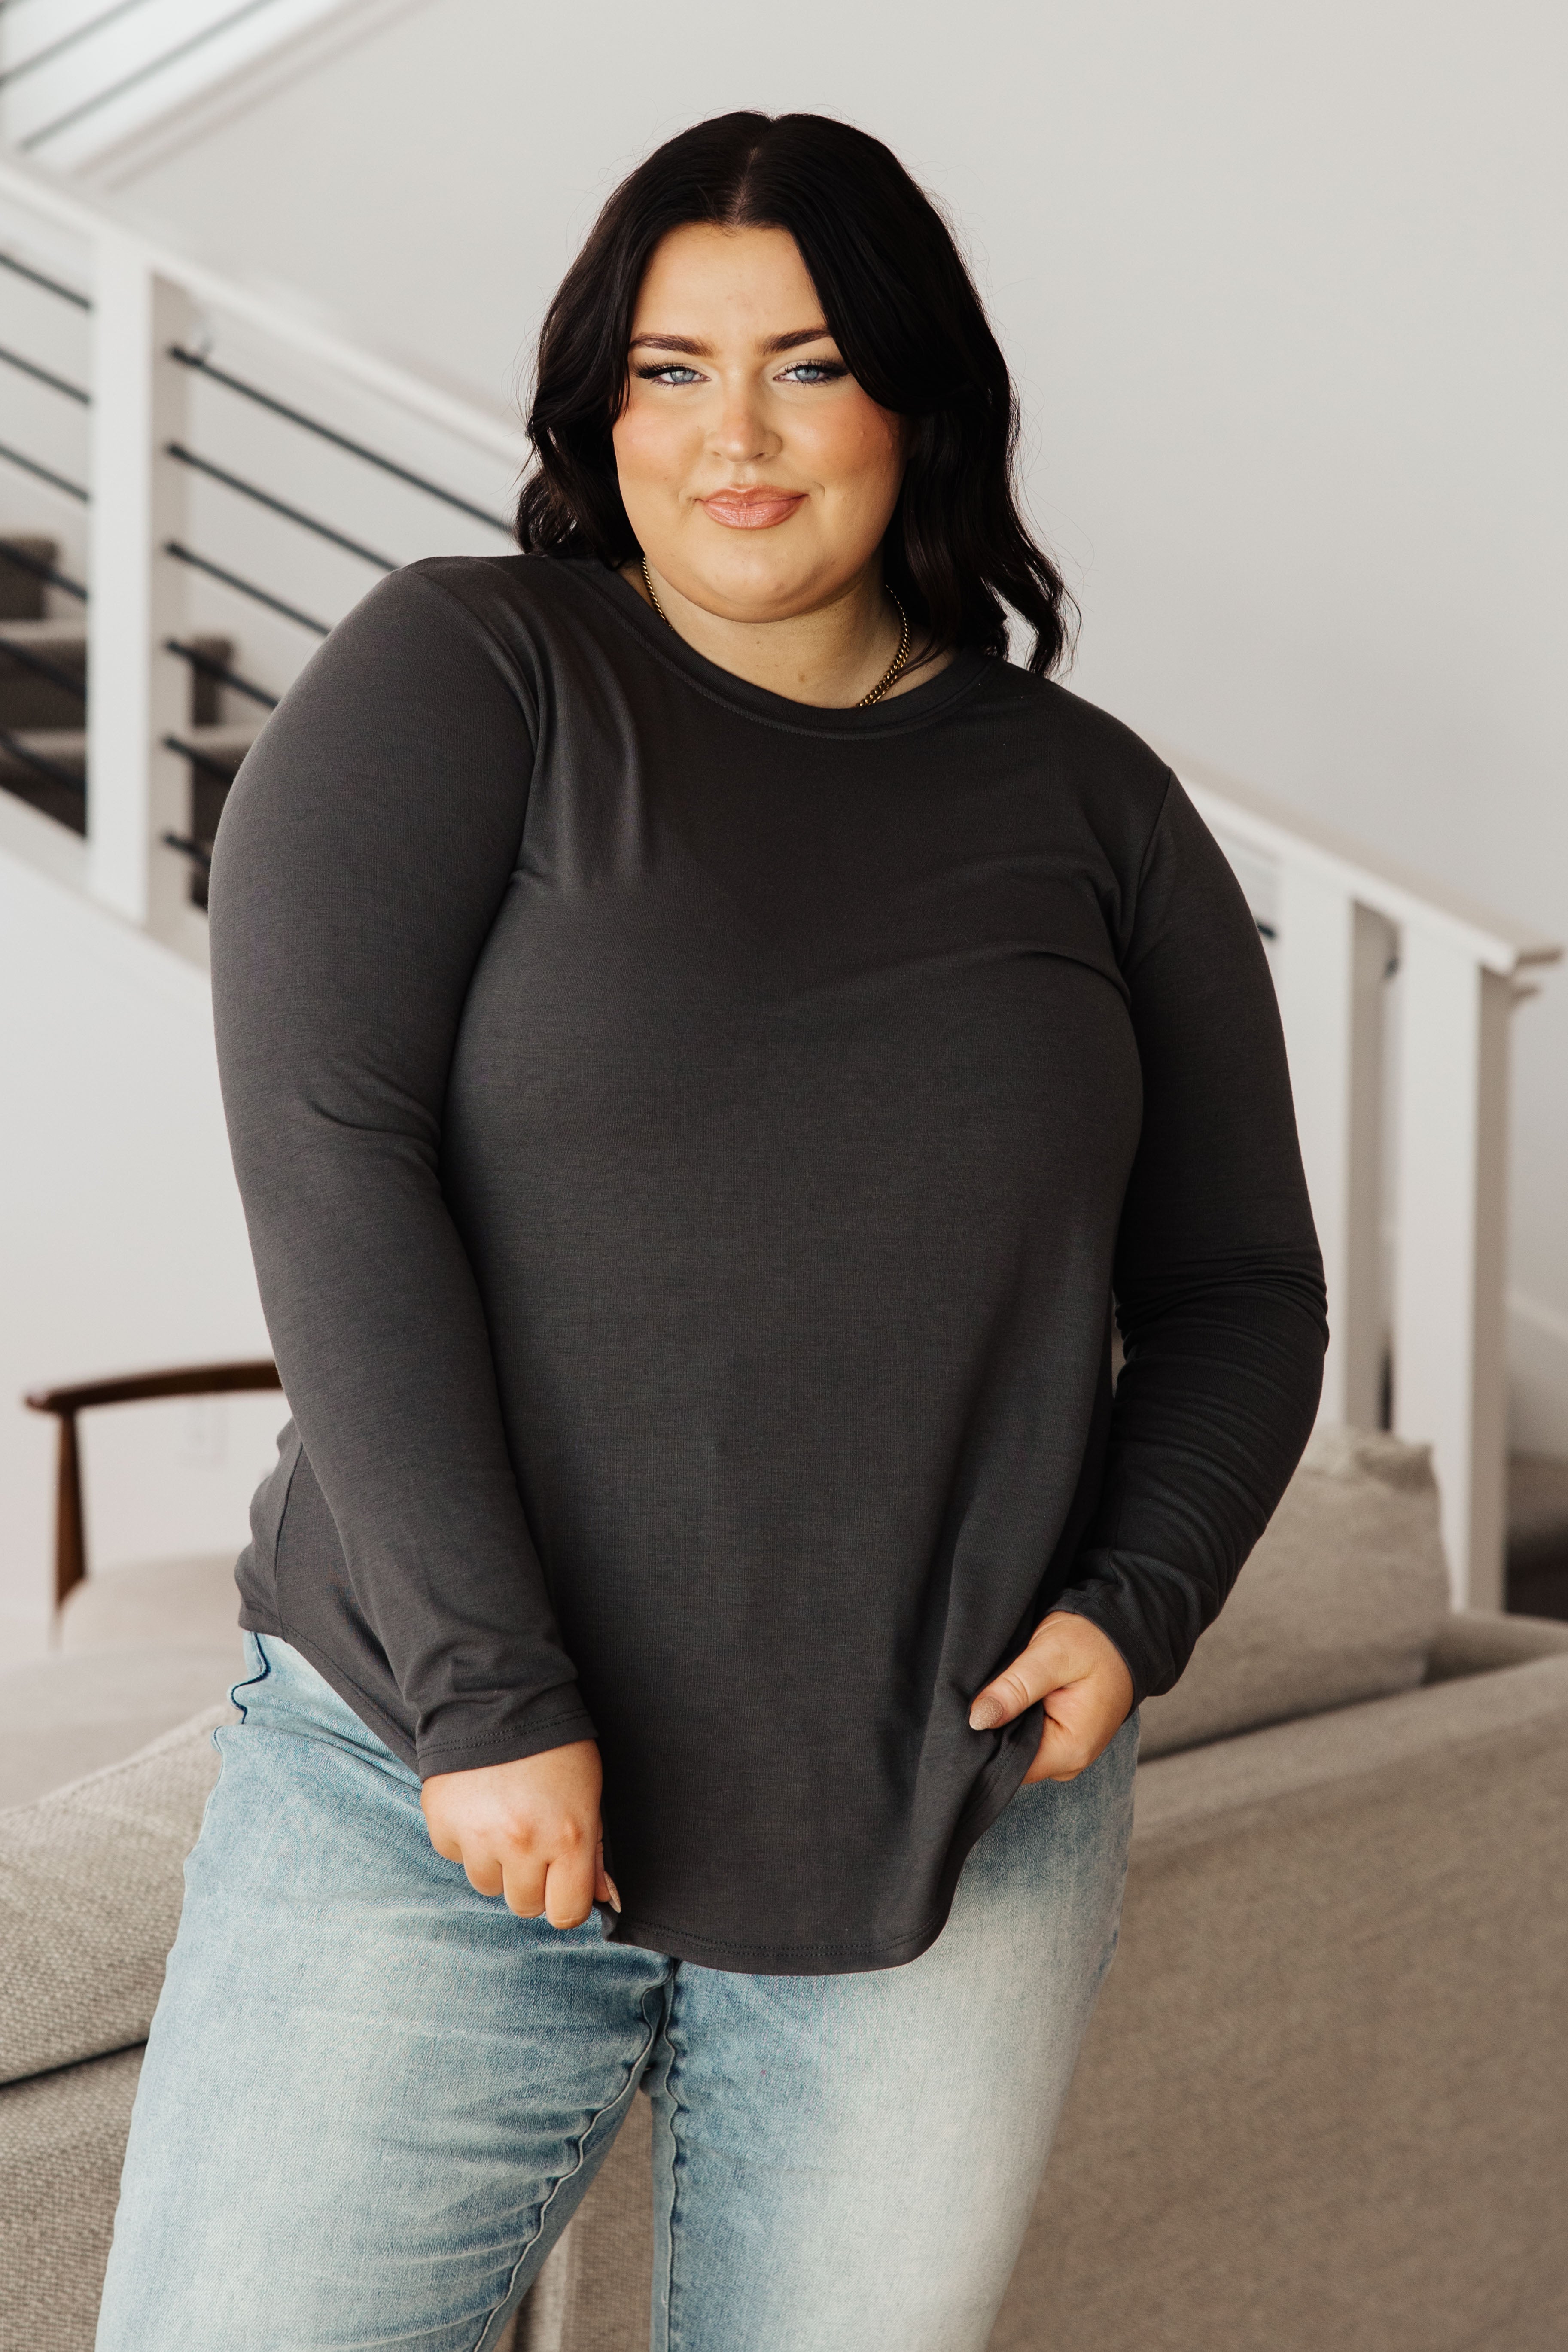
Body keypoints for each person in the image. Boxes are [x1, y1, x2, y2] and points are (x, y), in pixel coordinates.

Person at [96, 110, 1325, 2352]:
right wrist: (488, 1695)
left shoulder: (1099, 807)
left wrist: (1135, 1601)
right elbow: (334, 1159)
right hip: (424, 1781)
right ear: (600, 407)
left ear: (919, 403)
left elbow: (1241, 1286)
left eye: (805, 366)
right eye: (670, 370)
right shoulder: (472, 673)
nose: (728, 437)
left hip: (942, 1812)